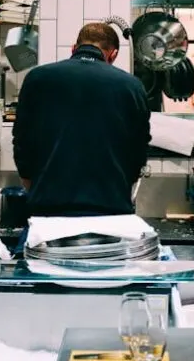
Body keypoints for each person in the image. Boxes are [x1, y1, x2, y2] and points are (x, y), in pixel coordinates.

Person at [13, 22, 151, 217]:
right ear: (113, 55)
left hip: (48, 210)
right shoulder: (132, 86)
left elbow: (22, 141)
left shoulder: (37, 78)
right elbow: (139, 148)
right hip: (111, 210)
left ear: (74, 48)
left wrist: (34, 188)